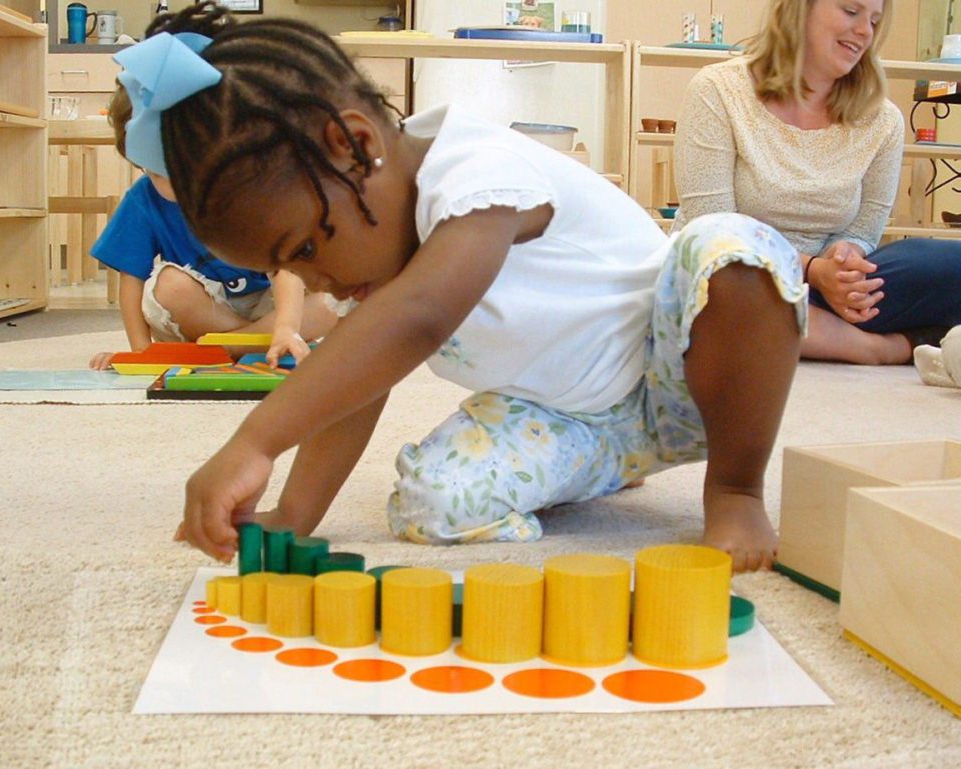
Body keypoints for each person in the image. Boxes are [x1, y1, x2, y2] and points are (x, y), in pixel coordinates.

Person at [119, 3, 809, 572]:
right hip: (577, 424)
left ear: (352, 144)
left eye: (305, 250)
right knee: (430, 500)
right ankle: (602, 469)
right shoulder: (373, 242)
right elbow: (362, 379)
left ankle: (736, 485)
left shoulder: (476, 172)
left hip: (682, 379)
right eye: (293, 270)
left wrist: (255, 440)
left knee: (732, 250)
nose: (313, 279)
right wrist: (296, 515)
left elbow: (418, 318)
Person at [674, 0, 961, 365]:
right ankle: (886, 348)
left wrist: (844, 261)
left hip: (827, 291)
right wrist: (811, 269)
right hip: (733, 277)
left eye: (874, 21)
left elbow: (865, 229)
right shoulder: (717, 90)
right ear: (800, 9)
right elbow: (712, 228)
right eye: (851, 11)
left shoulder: (883, 119)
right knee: (719, 287)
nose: (864, 31)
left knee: (945, 263)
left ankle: (815, 331)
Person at [87, 86, 336, 370]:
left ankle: (227, 347)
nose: (179, 186)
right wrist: (142, 352)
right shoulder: (143, 199)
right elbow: (132, 281)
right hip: (203, 310)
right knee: (169, 286)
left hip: (268, 303)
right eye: (157, 173)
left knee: (332, 300)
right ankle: (256, 342)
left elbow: (285, 267)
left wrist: (287, 326)